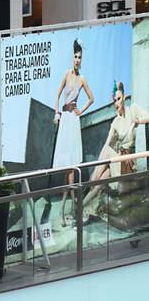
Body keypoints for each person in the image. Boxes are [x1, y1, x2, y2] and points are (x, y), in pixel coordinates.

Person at [52, 41, 94, 223]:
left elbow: (92, 99)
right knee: (67, 170)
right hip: (65, 120)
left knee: (71, 169)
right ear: (72, 58)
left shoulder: (82, 79)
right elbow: (57, 95)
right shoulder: (66, 75)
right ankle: (70, 208)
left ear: (81, 60)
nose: (77, 60)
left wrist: (81, 111)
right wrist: (56, 113)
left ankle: (68, 210)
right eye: (75, 57)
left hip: (74, 121)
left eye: (80, 57)